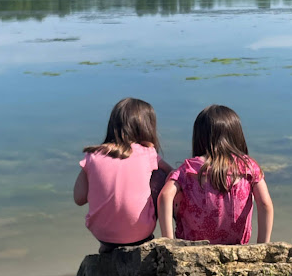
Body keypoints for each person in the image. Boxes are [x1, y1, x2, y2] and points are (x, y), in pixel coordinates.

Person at [158, 105, 273, 245]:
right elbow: (265, 204)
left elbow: (164, 196)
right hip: (235, 243)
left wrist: (169, 243)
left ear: (199, 137)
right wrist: (262, 245)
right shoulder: (248, 166)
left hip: (193, 244)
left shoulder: (189, 168)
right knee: (252, 192)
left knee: (174, 183)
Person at [74, 97, 172, 252]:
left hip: (101, 233)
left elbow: (79, 198)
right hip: (140, 233)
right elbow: (172, 174)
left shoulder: (93, 155)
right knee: (160, 176)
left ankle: (107, 247)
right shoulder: (148, 153)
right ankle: (149, 239)